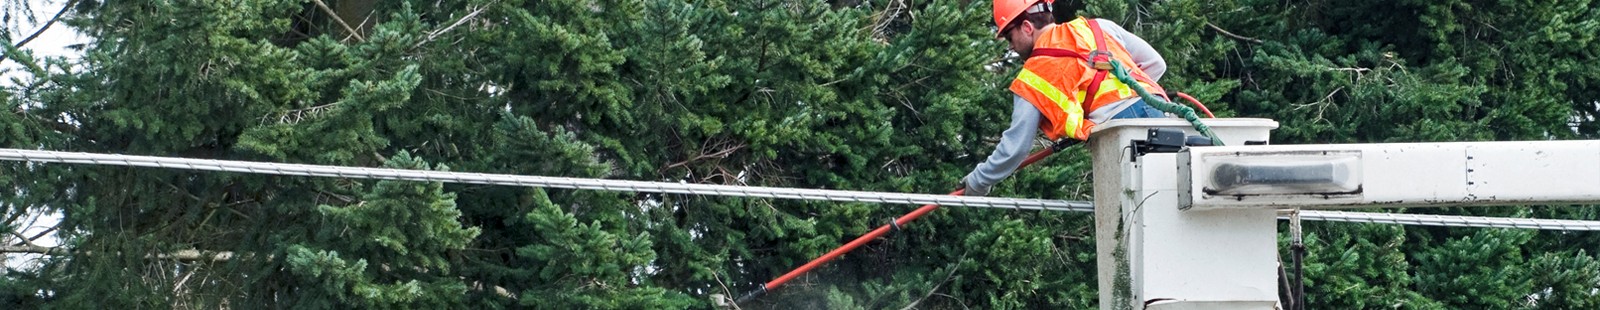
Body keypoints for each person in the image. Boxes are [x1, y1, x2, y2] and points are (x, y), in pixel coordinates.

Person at [962, 0, 1171, 196]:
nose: (1011, 47)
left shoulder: (1034, 73)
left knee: (1136, 217)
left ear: (1027, 27)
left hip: (1121, 135)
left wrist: (979, 181)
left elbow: (1015, 146)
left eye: (1009, 37)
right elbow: (1156, 64)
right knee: (1169, 205)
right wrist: (1128, 97)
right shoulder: (1097, 27)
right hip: (1159, 115)